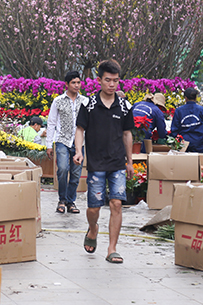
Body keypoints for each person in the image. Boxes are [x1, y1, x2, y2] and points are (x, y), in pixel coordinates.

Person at [74, 59, 134, 264]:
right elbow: (80, 129)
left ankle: (112, 248)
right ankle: (93, 228)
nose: (112, 84)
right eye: (108, 80)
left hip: (117, 163)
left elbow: (127, 134)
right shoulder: (88, 105)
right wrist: (78, 151)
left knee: (116, 203)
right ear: (98, 80)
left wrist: (130, 161)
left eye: (116, 81)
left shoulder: (125, 106)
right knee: (94, 208)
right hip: (96, 164)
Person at [46, 71, 88, 215]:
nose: (77, 85)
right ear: (67, 84)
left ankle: (71, 201)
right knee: (63, 169)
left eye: (78, 82)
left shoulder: (85, 101)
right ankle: (62, 200)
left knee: (76, 174)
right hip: (62, 141)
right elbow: (51, 123)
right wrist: (48, 145)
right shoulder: (58, 101)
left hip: (79, 143)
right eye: (73, 83)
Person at [171, 87, 203, 153]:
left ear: (185, 98)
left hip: (183, 145)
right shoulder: (202, 110)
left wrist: (176, 143)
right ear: (195, 98)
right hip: (199, 144)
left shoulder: (179, 111)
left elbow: (174, 130)